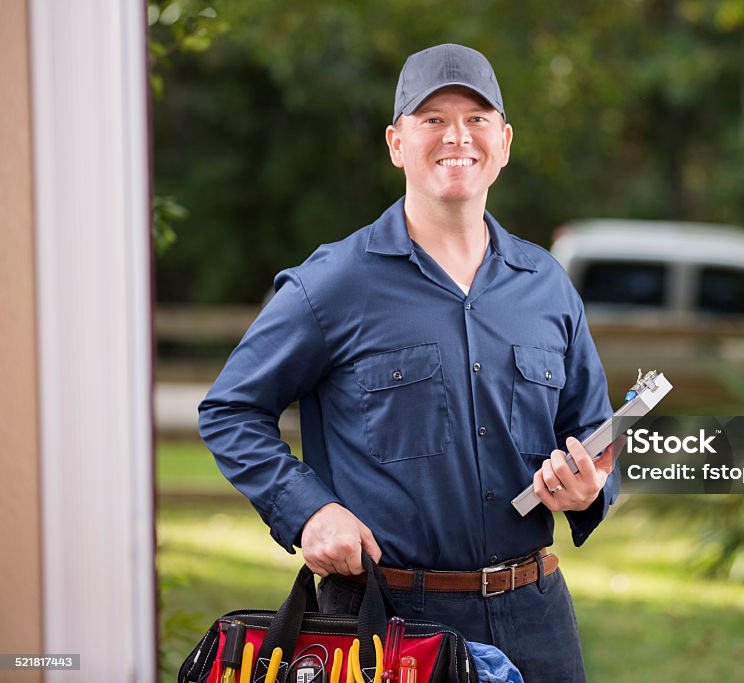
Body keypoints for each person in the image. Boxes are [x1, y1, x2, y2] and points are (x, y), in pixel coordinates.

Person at [199, 43, 619, 682]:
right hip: (387, 622)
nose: (458, 136)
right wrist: (307, 508)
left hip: (537, 620)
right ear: (396, 142)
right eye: (433, 120)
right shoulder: (334, 283)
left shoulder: (547, 285)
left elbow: (597, 433)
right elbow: (230, 410)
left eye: (477, 119)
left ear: (503, 143)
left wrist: (592, 488)